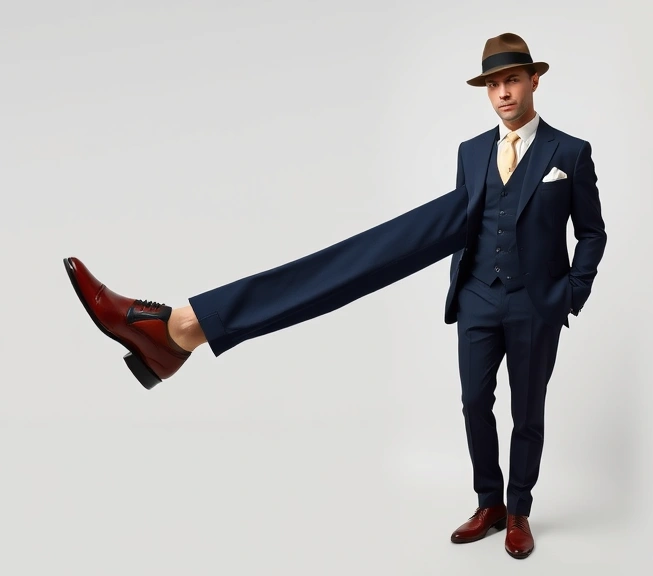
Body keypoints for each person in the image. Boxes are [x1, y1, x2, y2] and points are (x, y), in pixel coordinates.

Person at [63, 32, 606, 560]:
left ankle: (517, 512)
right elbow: (461, 225)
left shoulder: (570, 152)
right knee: (471, 401)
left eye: (513, 80)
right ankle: (489, 504)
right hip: (477, 301)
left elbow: (591, 232)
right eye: (493, 85)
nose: (504, 93)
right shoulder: (470, 152)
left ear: (534, 81)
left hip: (535, 305)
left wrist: (570, 293)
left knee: (526, 412)